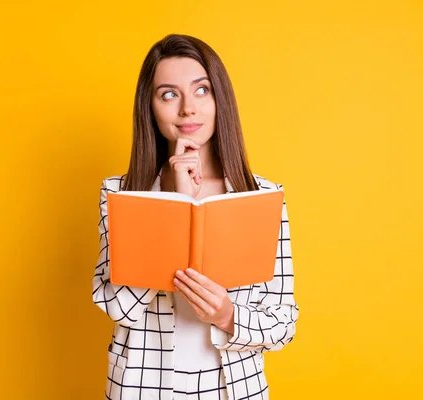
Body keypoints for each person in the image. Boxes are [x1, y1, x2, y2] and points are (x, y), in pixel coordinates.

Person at [92, 34, 299, 400]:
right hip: (143, 388)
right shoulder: (120, 193)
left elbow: (283, 322)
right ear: (150, 109)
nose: (188, 108)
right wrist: (172, 202)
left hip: (232, 389)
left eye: (201, 90)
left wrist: (227, 314)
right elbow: (116, 305)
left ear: (220, 100)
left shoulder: (263, 196)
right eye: (169, 94)